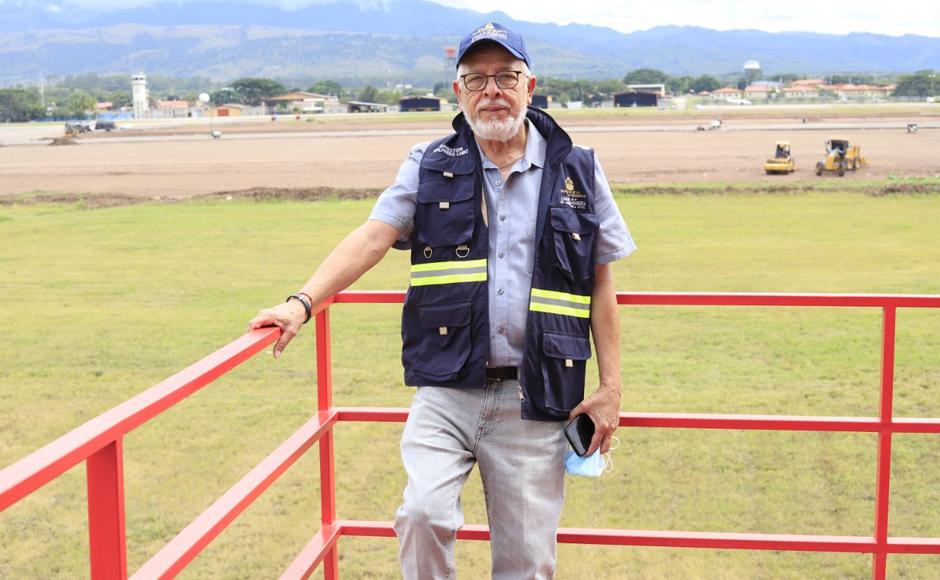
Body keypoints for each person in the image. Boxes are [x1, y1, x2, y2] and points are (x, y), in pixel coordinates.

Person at [248, 21, 636, 579]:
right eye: (476, 79)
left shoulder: (578, 169)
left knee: (527, 561)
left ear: (530, 86)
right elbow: (373, 237)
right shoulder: (428, 163)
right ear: (458, 92)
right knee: (422, 515)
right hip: (447, 389)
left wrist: (610, 389)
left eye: (506, 76)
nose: (492, 91)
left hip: (535, 396)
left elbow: (600, 283)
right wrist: (301, 303)